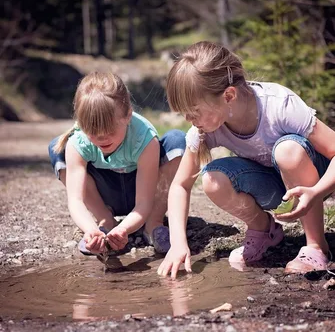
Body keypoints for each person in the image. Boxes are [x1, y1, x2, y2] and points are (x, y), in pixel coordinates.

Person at [157, 41, 335, 279]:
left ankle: (316, 246)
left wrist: (316, 192)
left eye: (194, 111)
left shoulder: (278, 105)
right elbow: (180, 185)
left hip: (313, 181)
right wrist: (178, 243)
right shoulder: (205, 129)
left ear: (228, 95)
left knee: (288, 151)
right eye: (184, 114)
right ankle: (265, 231)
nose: (190, 119)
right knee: (213, 179)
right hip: (277, 189)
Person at [48, 71, 185, 255]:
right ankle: (105, 220)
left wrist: (124, 230)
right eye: (93, 133)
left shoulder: (144, 138)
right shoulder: (78, 141)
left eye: (110, 131)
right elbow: (75, 200)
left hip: (143, 193)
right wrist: (91, 230)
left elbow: (144, 202)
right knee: (57, 148)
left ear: (128, 115)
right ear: (81, 124)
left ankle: (153, 223)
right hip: (106, 195)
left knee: (177, 140)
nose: (102, 139)